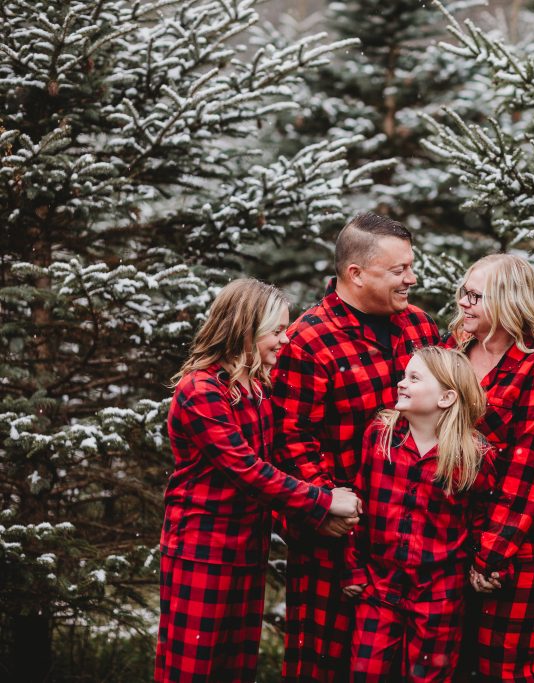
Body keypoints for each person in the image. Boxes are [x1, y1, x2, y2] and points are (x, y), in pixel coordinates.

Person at [155, 278, 361, 683]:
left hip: (249, 548)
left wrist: (316, 516)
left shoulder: (258, 388)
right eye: (277, 331)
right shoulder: (201, 390)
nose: (285, 340)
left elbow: (277, 463)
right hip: (202, 549)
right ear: (243, 330)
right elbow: (248, 471)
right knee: (193, 667)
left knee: (236, 667)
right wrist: (323, 502)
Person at [271, 213, 440, 681]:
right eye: (399, 270)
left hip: (414, 534)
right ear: (356, 273)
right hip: (334, 535)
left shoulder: (421, 330)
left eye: (411, 266)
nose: (412, 278)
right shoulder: (309, 340)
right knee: (326, 662)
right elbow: (291, 436)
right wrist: (328, 507)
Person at [446, 254, 534, 682]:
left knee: (504, 669)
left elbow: (529, 471)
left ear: (508, 302)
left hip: (522, 546)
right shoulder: (454, 351)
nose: (464, 303)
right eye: (464, 292)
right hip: (453, 536)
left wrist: (492, 555)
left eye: (476, 296)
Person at [342, 346, 495, 682]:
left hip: (439, 595)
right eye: (403, 376)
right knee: (364, 672)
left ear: (446, 397)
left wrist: (483, 564)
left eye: (414, 378)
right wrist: (354, 569)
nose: (401, 383)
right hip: (380, 588)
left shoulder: (473, 456)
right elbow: (359, 506)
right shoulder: (380, 437)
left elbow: (481, 521)